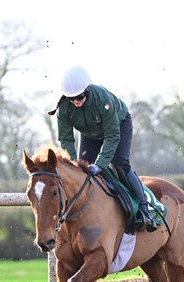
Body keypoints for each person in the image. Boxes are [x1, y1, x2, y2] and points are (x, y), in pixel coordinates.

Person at [50, 65, 156, 232]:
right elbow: (66, 139)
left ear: (88, 90)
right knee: (82, 170)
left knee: (120, 163)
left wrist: (100, 164)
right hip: (90, 134)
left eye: (80, 96)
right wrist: (73, 165)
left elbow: (112, 136)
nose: (76, 102)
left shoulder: (102, 99)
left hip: (119, 125)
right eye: (72, 98)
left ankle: (144, 210)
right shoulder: (63, 108)